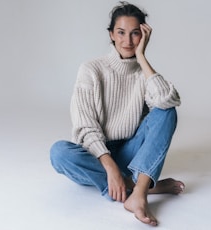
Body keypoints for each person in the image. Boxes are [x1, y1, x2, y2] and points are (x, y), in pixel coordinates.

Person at [50, 1, 185, 227]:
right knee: (59, 153)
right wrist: (109, 166)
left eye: (135, 34)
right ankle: (142, 185)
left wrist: (142, 58)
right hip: (96, 155)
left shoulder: (143, 73)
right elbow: (85, 126)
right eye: (121, 33)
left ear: (143, 35)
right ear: (111, 34)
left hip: (130, 153)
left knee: (166, 112)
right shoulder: (91, 69)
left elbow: (168, 101)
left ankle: (139, 193)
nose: (128, 41)